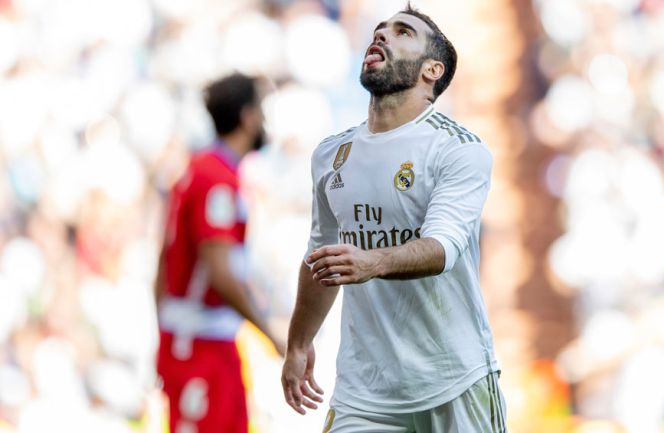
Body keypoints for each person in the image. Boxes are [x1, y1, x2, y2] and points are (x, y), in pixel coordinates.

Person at [280, 4, 507, 432]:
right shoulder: (331, 154)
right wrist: (298, 343)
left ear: (432, 70)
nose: (381, 35)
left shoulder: (458, 150)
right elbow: (319, 258)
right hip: (365, 392)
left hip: (453, 379)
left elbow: (442, 249)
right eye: (380, 30)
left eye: (403, 32)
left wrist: (373, 262)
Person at [154, 72, 285, 433]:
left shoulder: (202, 170)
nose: (265, 121)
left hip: (199, 342)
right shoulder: (216, 179)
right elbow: (219, 272)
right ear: (247, 117)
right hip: (199, 345)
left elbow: (163, 262)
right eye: (261, 111)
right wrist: (270, 333)